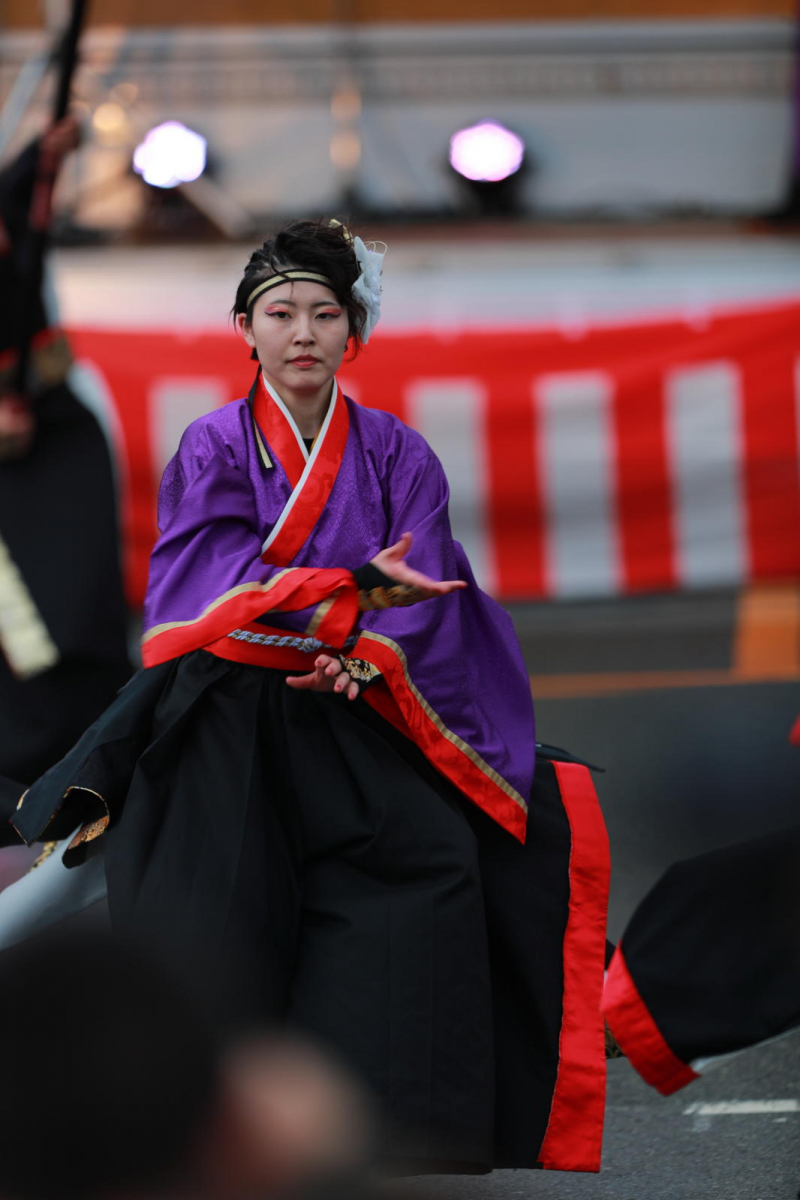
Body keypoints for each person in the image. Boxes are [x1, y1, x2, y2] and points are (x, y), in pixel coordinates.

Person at [9, 220, 610, 1174]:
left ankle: (376, 1154)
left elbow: (431, 583)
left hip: (362, 712)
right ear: (244, 329)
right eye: (279, 313)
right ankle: (188, 1150)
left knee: (412, 915)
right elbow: (199, 588)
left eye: (325, 314)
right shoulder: (213, 445)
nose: (302, 333)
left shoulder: (400, 454)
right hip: (227, 718)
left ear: (353, 332)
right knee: (211, 939)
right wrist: (346, 600)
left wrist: (365, 650)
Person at [0, 116, 131, 793]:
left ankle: (97, 772)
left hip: (51, 415)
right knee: (20, 634)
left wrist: (37, 162)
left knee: (80, 604)